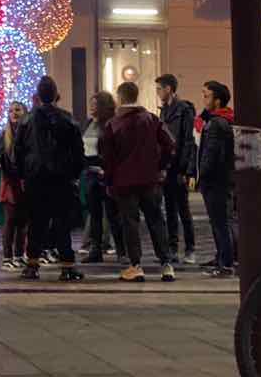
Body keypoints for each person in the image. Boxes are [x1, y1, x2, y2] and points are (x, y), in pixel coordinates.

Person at [100, 82, 176, 283]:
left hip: (124, 182)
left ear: (120, 98)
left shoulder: (113, 124)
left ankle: (136, 265)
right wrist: (160, 167)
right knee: (156, 220)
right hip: (150, 180)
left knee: (130, 223)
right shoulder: (152, 119)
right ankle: (166, 264)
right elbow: (170, 145)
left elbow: (108, 158)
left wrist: (109, 181)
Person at [15, 76, 85, 282]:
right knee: (62, 223)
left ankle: (32, 265)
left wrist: (22, 175)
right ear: (56, 95)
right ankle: (67, 266)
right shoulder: (68, 119)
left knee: (36, 222)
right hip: (61, 179)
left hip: (35, 179)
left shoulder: (26, 120)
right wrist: (74, 175)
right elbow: (78, 152)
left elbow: (18, 152)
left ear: (37, 96)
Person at [155, 74, 197, 265]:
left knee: (183, 209)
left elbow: (188, 141)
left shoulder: (184, 110)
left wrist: (187, 170)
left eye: (159, 89)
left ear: (168, 89)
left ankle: (190, 249)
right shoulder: (164, 111)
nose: (158, 93)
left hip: (178, 166)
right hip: (168, 165)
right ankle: (173, 248)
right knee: (170, 209)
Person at [80, 92, 125, 264]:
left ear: (104, 106)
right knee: (95, 215)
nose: (91, 107)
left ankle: (122, 251)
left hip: (108, 174)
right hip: (91, 174)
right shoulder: (89, 123)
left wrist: (106, 168)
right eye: (91, 104)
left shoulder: (112, 124)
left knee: (114, 215)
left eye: (95, 104)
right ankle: (95, 249)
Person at [197, 81, 236, 278]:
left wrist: (201, 175)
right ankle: (223, 257)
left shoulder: (216, 123)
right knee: (223, 221)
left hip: (215, 180)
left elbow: (210, 153)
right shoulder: (224, 120)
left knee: (220, 222)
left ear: (217, 101)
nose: (203, 99)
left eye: (206, 96)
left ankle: (226, 263)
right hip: (223, 178)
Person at [0, 101, 30, 270]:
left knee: (23, 222)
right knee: (10, 221)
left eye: (18, 110)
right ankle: (7, 258)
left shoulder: (29, 133)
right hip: (9, 183)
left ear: (25, 112)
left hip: (25, 183)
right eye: (11, 111)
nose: (14, 113)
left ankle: (19, 255)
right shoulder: (4, 135)